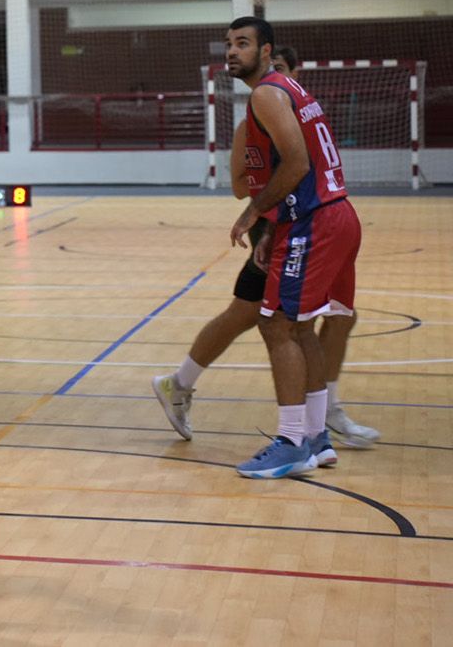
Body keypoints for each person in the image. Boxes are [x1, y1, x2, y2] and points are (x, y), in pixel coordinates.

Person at [153, 48, 380, 449]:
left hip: (303, 219)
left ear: (292, 76)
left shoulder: (297, 111)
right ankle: (307, 424)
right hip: (277, 224)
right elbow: (243, 184)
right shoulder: (255, 121)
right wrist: (265, 210)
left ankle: (318, 415)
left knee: (331, 317)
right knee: (262, 317)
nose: (273, 78)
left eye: (279, 70)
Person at [221, 17, 362, 479]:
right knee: (300, 329)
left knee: (275, 325)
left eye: (243, 43)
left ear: (266, 52)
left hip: (317, 220)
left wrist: (255, 213)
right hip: (335, 216)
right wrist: (277, 227)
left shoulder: (266, 93)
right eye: (228, 44)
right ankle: (317, 438)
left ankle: (290, 441)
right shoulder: (290, 90)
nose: (232, 51)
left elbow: (298, 163)